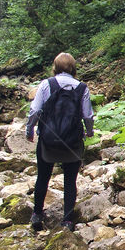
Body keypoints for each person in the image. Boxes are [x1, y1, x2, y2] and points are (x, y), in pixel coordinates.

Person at [26, 52, 94, 231]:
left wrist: (29, 130)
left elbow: (35, 111)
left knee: (43, 177)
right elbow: (87, 115)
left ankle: (37, 214)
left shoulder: (46, 84)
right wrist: (89, 132)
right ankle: (67, 220)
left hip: (48, 140)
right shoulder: (82, 87)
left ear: (55, 67)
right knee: (70, 181)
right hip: (72, 141)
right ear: (73, 68)